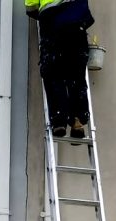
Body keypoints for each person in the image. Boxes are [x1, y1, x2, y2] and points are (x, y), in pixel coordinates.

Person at [26, 0, 95, 138]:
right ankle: (77, 121)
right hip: (75, 19)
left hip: (51, 23)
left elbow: (31, 6)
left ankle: (59, 121)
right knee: (76, 73)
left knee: (53, 73)